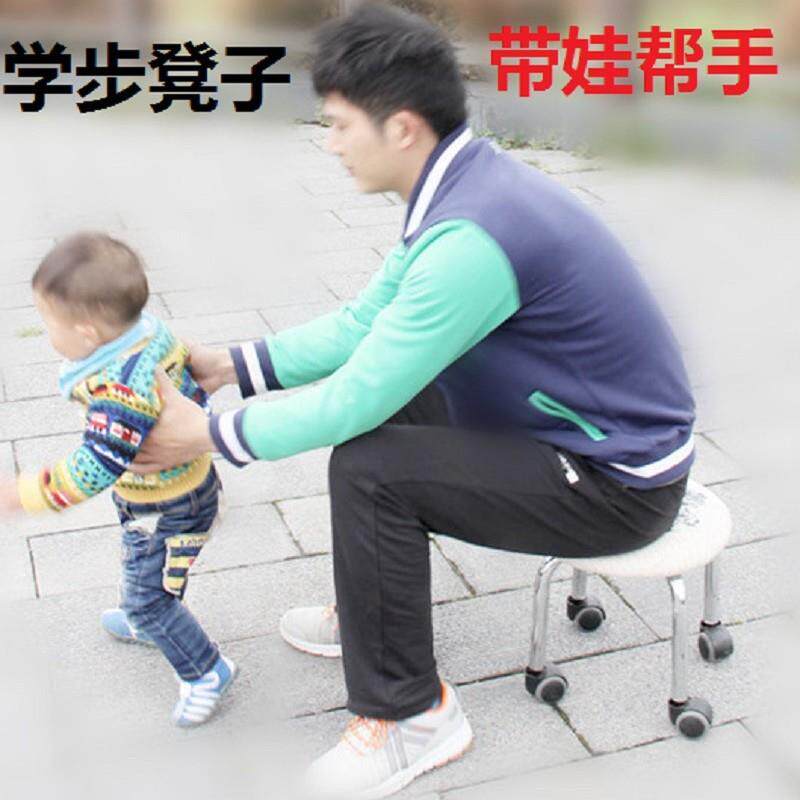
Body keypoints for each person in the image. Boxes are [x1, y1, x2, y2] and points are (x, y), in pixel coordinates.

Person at [129, 3, 694, 796]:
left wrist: (206, 435)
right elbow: (364, 325)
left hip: (616, 485)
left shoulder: (471, 239)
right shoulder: (464, 186)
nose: (329, 144)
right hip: (573, 435)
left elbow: (350, 401)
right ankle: (374, 615)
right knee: (395, 409)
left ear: (400, 127)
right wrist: (227, 366)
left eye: (338, 125)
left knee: (372, 469)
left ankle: (410, 716)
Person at [0, 232, 237, 728]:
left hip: (169, 505)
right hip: (166, 490)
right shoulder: (145, 331)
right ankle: (146, 619)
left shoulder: (119, 389)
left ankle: (205, 670)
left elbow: (95, 467)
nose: (46, 334)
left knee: (149, 593)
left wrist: (24, 495)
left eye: (48, 322)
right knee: (144, 561)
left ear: (87, 334)